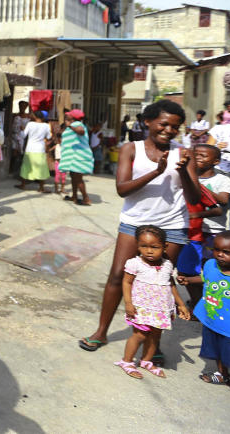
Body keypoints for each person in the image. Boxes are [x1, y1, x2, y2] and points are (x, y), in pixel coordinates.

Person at [79, 100, 199, 360]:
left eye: (175, 127)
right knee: (116, 276)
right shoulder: (130, 149)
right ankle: (101, 331)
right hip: (135, 223)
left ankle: (152, 345)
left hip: (172, 226)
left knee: (160, 283)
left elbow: (195, 197)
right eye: (163, 124)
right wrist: (158, 171)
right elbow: (122, 188)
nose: (169, 130)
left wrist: (185, 173)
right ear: (147, 122)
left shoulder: (184, 153)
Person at [114, 226, 191, 379]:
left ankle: (147, 361)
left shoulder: (167, 265)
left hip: (161, 309)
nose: (149, 251)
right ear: (137, 245)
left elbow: (170, 284)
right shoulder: (134, 263)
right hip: (141, 308)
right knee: (139, 335)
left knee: (155, 336)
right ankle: (127, 361)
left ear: (165, 247)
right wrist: (128, 303)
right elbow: (127, 283)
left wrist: (180, 304)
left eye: (154, 247)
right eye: (144, 246)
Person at [176, 144, 230, 309]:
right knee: (187, 270)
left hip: (212, 233)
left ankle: (209, 303)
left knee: (210, 271)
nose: (199, 158)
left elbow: (222, 202)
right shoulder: (187, 177)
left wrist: (197, 186)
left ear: (216, 161)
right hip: (189, 232)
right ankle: (197, 303)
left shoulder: (222, 179)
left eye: (203, 155)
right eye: (196, 155)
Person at [179, 231, 230, 387]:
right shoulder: (211, 265)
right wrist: (189, 280)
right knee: (217, 350)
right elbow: (206, 278)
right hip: (212, 319)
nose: (219, 254)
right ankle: (222, 374)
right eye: (216, 249)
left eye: (227, 252)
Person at [207, 111, 230, 229]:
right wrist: (217, 148)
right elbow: (206, 151)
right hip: (219, 176)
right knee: (214, 221)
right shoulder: (220, 129)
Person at [61, 109, 95, 206]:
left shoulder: (76, 124)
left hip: (78, 155)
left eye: (69, 115)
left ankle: (86, 198)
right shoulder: (73, 124)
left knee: (78, 178)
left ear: (74, 117)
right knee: (73, 176)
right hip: (73, 155)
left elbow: (81, 131)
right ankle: (74, 196)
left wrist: (70, 126)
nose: (67, 115)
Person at [17, 111, 51, 193]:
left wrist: (22, 130)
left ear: (35, 116)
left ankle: (23, 185)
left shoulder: (30, 124)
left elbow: (23, 135)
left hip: (30, 149)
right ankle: (41, 187)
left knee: (26, 167)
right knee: (42, 168)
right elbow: (49, 137)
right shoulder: (46, 126)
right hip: (40, 149)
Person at [10, 100, 30, 175]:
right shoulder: (15, 115)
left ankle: (19, 169)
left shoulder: (28, 116)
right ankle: (11, 168)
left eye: (24, 106)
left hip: (23, 136)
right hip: (15, 135)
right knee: (14, 152)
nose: (22, 108)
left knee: (22, 153)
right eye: (21, 106)